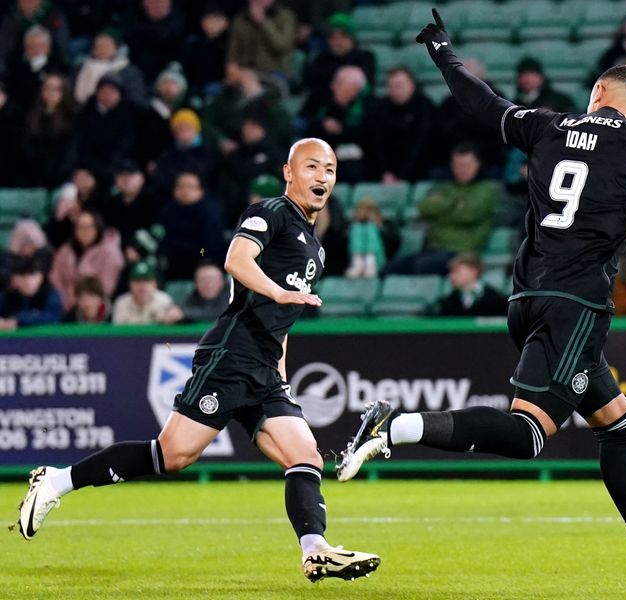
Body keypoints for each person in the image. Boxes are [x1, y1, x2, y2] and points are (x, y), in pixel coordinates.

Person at [336, 10, 626, 599]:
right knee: (530, 434)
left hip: (526, 297)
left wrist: (443, 53)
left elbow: (483, 104)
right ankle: (395, 424)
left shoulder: (550, 125)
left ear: (596, 93)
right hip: (574, 306)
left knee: (619, 426)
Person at [16, 138, 381, 583]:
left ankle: (316, 550)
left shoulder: (315, 248)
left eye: (329, 168)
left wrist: (281, 375)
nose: (322, 176)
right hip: (232, 353)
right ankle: (54, 481)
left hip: (265, 367)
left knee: (305, 456)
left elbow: (283, 321)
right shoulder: (270, 212)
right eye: (311, 166)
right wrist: (278, 291)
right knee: (172, 455)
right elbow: (235, 259)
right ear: (289, 172)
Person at [386, 143, 497, 275]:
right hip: (432, 250)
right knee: (390, 267)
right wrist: (455, 204)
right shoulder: (446, 188)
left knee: (421, 266)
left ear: (478, 164)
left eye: (466, 165)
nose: (461, 170)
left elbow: (468, 215)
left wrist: (441, 207)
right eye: (457, 165)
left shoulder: (486, 190)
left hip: (461, 253)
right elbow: (424, 208)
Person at [49, 209, 125, 312]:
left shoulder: (110, 253)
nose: (84, 231)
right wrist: (64, 299)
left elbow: (106, 287)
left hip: (95, 308)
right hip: (64, 305)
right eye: (80, 227)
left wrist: (81, 301)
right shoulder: (66, 250)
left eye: (89, 227)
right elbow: (55, 277)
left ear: (98, 228)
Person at [157, 171, 226, 281]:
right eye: (181, 186)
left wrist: (200, 256)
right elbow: (163, 237)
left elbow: (209, 245)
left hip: (202, 259)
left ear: (200, 190)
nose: (185, 191)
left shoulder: (210, 211)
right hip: (174, 262)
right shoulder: (167, 211)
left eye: (190, 187)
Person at [434, 253, 508, 317]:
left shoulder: (497, 301)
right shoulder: (447, 303)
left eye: (456, 272)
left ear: (473, 271)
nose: (451, 277)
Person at [0, 256, 62, 329]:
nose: (28, 281)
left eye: (33, 275)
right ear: (15, 278)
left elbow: (53, 318)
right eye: (23, 275)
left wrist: (18, 321)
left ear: (41, 276)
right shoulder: (8, 295)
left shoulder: (51, 294)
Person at [110, 260, 178, 325]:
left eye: (146, 280)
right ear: (130, 284)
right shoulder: (121, 303)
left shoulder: (164, 301)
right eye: (137, 281)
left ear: (154, 284)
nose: (142, 285)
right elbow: (117, 334)